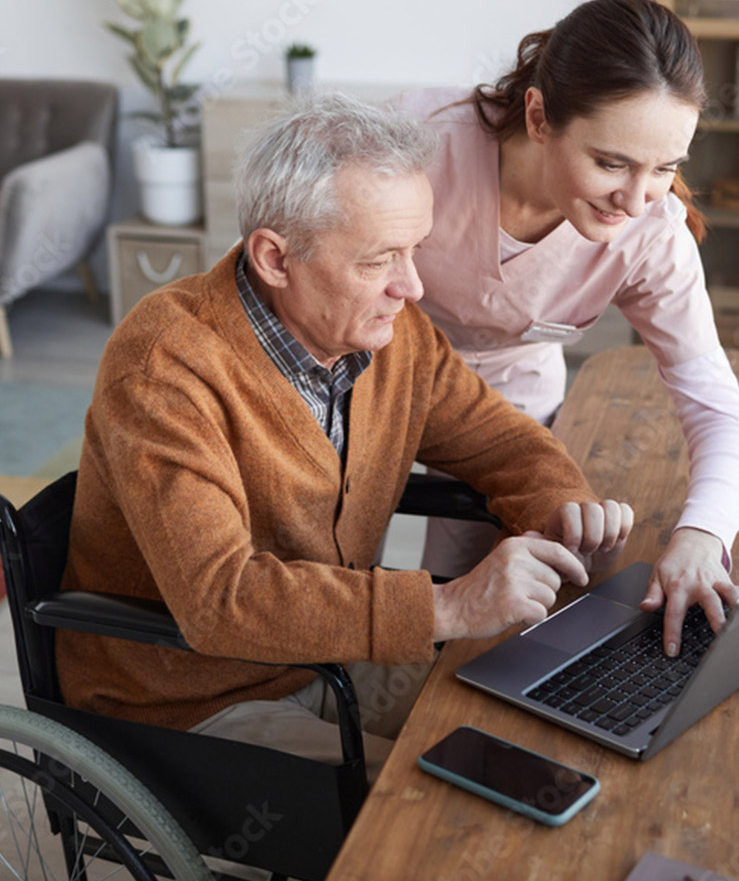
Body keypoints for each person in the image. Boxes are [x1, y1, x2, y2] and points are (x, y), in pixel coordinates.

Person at [56, 93, 634, 782]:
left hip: (327, 658)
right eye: (379, 260)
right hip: (189, 698)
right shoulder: (164, 365)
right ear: (275, 258)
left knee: (536, 733)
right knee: (437, 808)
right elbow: (221, 600)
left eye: (415, 250)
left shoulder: (390, 335)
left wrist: (562, 501)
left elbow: (495, 438)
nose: (412, 287)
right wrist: (446, 605)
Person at [390, 0, 739, 658]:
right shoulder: (415, 148)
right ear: (538, 116)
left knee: (490, 626)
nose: (636, 198)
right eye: (612, 163)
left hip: (509, 415)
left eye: (666, 167)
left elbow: (717, 405)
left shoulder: (650, 233)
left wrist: (704, 535)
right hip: (373, 387)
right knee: (363, 594)